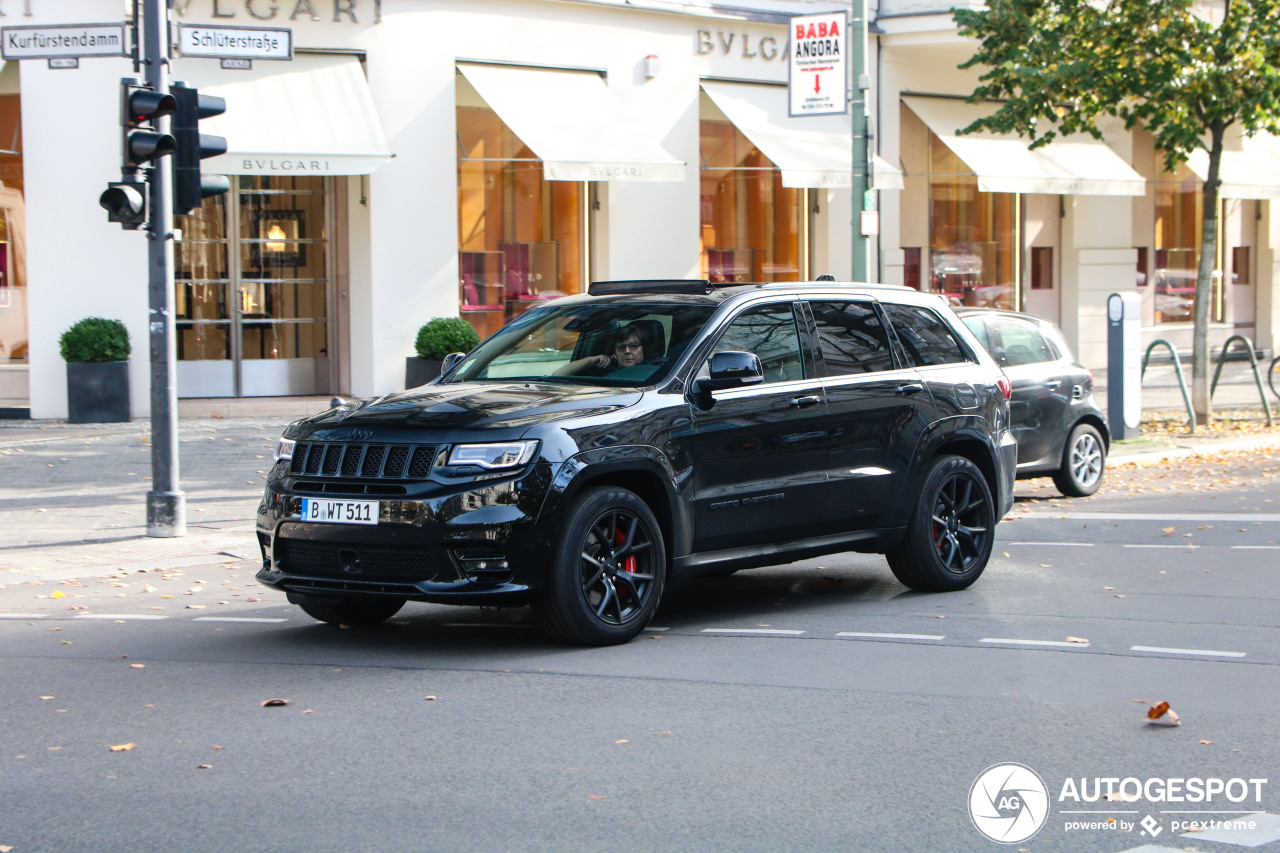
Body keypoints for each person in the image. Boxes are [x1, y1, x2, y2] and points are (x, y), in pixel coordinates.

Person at [555, 324, 647, 376]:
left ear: (643, 349)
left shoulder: (654, 370)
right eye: (621, 347)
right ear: (614, 353)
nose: (627, 351)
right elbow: (557, 375)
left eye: (634, 346)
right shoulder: (606, 369)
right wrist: (590, 360)